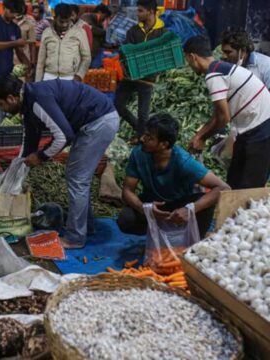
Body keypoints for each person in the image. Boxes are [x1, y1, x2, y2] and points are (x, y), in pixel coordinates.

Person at [0, 76, 120, 249]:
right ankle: (86, 226)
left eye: (1, 104)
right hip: (92, 122)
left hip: (99, 121)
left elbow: (63, 137)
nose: (2, 109)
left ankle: (75, 238)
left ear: (12, 98)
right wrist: (18, 165)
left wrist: (41, 156)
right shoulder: (28, 102)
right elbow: (30, 138)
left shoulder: (37, 100)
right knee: (76, 177)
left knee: (77, 179)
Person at [117, 114, 230, 238]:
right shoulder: (139, 153)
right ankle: (159, 235)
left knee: (205, 203)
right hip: (153, 204)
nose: (142, 139)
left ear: (164, 144)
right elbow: (127, 190)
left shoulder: (183, 161)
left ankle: (193, 240)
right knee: (126, 219)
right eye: (145, 134)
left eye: (149, 137)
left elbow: (223, 188)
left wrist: (190, 209)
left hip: (179, 207)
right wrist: (144, 208)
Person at [184, 35, 270, 189]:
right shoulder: (220, 68)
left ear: (192, 57)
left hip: (261, 130)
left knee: (249, 187)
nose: (188, 64)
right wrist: (200, 135)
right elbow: (218, 114)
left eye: (187, 60)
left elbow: (224, 118)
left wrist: (202, 137)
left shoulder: (214, 75)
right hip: (251, 129)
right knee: (234, 181)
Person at [114, 0, 166, 140]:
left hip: (148, 78)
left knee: (143, 113)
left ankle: (140, 138)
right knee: (118, 105)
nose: (137, 14)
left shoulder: (163, 32)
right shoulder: (134, 31)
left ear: (150, 11)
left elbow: (164, 54)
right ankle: (137, 127)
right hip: (130, 76)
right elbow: (125, 52)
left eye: (140, 11)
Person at [35, 3, 90, 82]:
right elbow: (41, 60)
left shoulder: (79, 32)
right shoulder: (47, 32)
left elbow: (86, 57)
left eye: (67, 21)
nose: (65, 24)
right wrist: (38, 82)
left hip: (70, 77)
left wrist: (79, 75)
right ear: (55, 18)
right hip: (49, 77)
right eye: (61, 22)